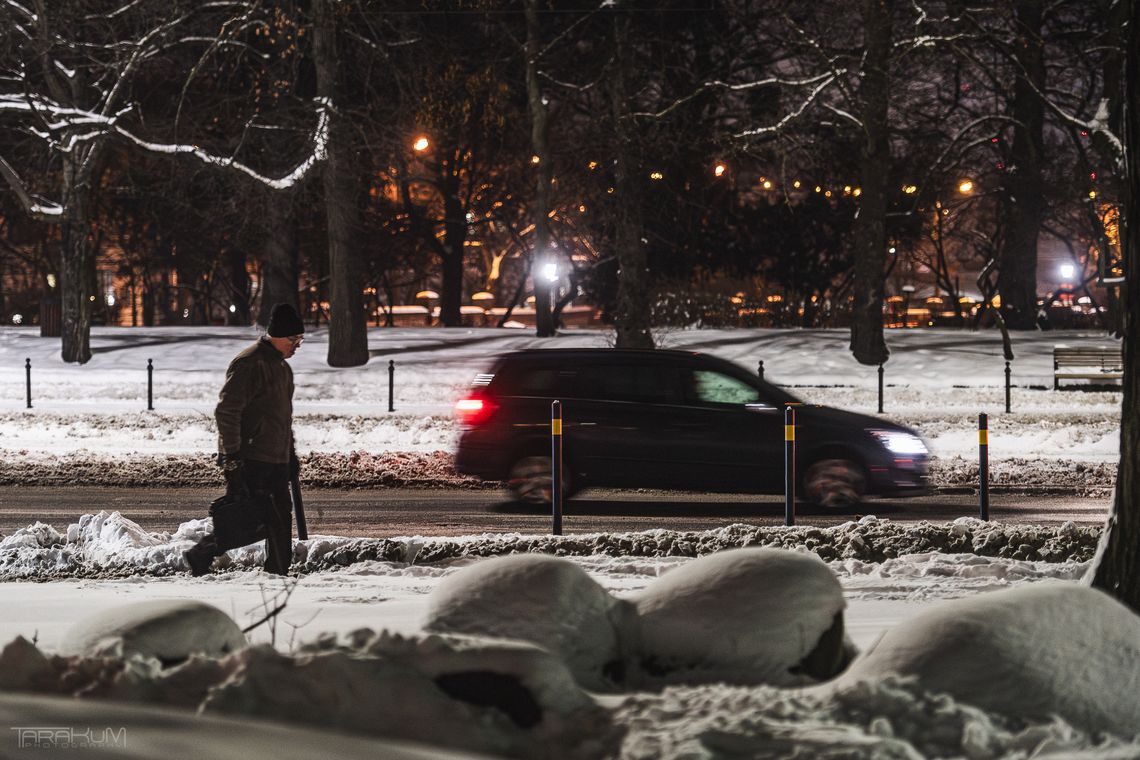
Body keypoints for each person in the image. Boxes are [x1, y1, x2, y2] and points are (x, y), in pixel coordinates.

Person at [183, 303, 305, 576]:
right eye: (293, 339)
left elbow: (283, 419)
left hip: (275, 458)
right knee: (247, 520)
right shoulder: (250, 363)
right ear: (277, 336)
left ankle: (277, 573)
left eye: (300, 339)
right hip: (250, 457)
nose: (297, 345)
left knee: (280, 519)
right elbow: (227, 411)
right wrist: (232, 456)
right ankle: (201, 554)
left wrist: (290, 455)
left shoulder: (282, 369)